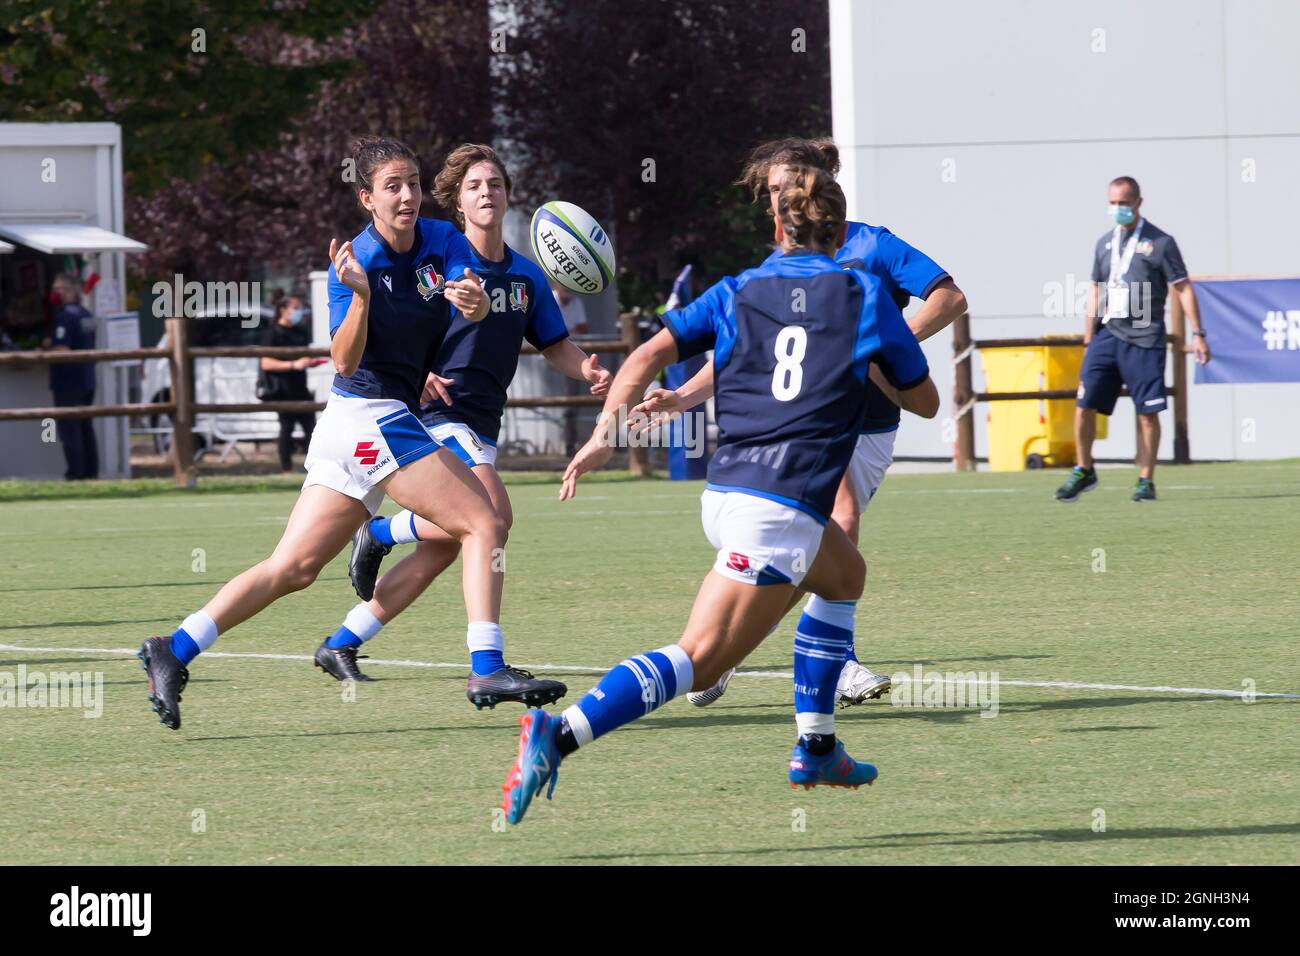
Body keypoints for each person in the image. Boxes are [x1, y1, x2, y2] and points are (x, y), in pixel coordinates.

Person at [500, 167, 939, 825]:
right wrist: (871, 362)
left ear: (776, 226)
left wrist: (604, 438)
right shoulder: (866, 296)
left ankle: (817, 746)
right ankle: (556, 736)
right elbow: (926, 403)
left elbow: (646, 354)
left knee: (846, 572)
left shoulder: (738, 290)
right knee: (701, 664)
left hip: (731, 485)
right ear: (839, 231)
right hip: (779, 507)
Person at [137, 136, 500, 730]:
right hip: (367, 419)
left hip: (361, 425)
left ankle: (172, 649)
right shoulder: (354, 261)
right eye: (392, 186)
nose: (407, 195)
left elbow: (472, 301)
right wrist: (359, 296)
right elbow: (346, 361)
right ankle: (487, 667)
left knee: (294, 569)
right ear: (367, 199)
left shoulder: (443, 239)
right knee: (482, 521)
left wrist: (475, 301)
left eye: (411, 182)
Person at [615, 138, 967, 707]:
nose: (779, 200)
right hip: (803, 429)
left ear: (821, 181)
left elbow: (948, 299)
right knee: (835, 522)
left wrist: (882, 360)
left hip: (868, 425)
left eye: (789, 185)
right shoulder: (771, 268)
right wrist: (681, 397)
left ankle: (729, 647)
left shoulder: (872, 245)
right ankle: (832, 674)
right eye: (772, 191)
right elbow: (742, 354)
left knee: (814, 551)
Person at [325, 143, 611, 707]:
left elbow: (554, 344)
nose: (487, 193)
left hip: (483, 423)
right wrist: (419, 370)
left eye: (496, 184)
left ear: (508, 197)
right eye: (475, 186)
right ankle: (484, 662)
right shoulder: (437, 264)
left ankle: (343, 639)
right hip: (435, 417)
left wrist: (589, 370)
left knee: (449, 548)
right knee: (493, 518)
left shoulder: (526, 277)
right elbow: (398, 329)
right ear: (456, 201)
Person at [1056, 175, 1211, 503]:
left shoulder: (1161, 242)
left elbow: (1182, 287)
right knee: (1084, 403)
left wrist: (1198, 334)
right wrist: (1088, 334)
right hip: (1107, 334)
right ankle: (1084, 469)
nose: (1118, 209)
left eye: (1124, 203)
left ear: (1138, 203)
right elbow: (1096, 289)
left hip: (1144, 337)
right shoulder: (1103, 243)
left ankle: (1145, 479)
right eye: (1112, 203)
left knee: (1147, 412)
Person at [45, 274, 99, 481]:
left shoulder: (65, 316)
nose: (54, 293)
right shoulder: (86, 314)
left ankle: (75, 474)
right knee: (85, 426)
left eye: (57, 289)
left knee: (70, 429)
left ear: (68, 290)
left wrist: (44, 353)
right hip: (87, 379)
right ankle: (90, 473)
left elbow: (62, 349)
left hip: (68, 382)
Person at [257, 294, 319, 473]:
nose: (299, 312)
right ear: (283, 310)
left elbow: (305, 356)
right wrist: (293, 364)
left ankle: (313, 468)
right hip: (282, 389)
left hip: (301, 388)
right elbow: (266, 363)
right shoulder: (271, 333)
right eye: (295, 307)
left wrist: (309, 362)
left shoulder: (301, 331)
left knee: (312, 429)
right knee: (287, 429)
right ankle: (286, 468)